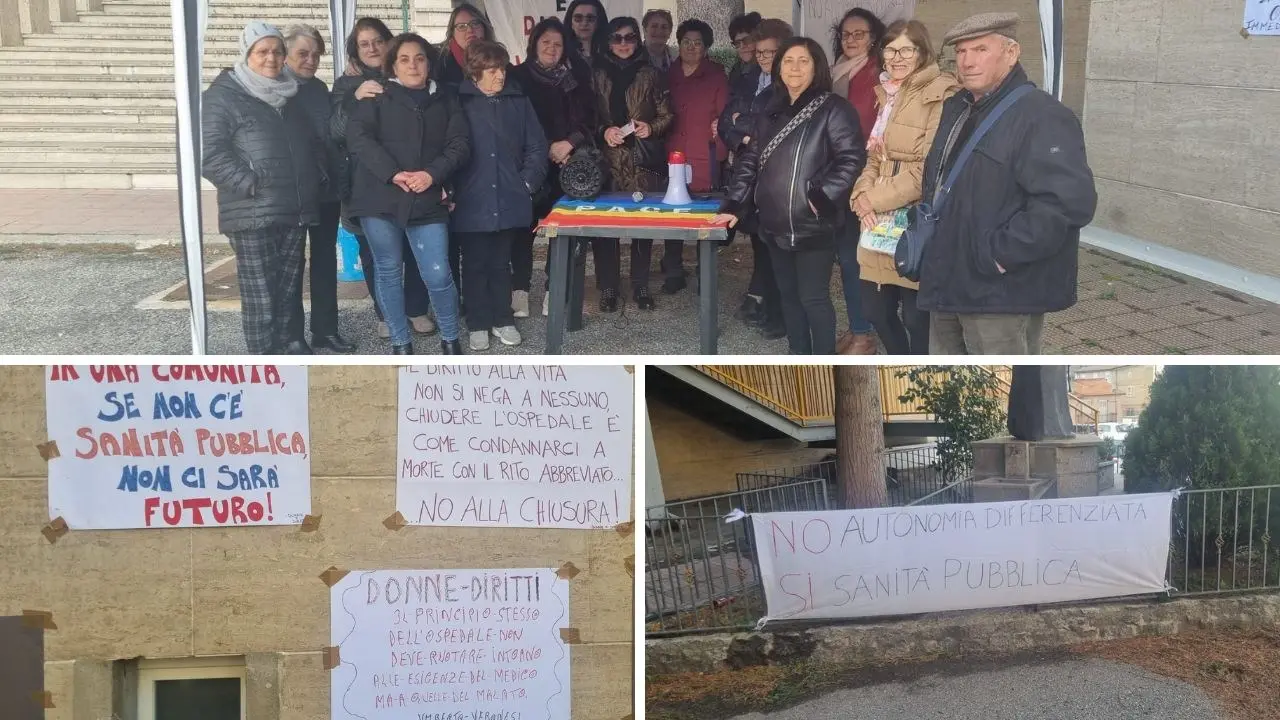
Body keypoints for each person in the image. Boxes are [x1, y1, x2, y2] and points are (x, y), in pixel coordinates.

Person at [918, 13, 1096, 354]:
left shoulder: (1042, 115)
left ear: (1011, 53)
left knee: (998, 374)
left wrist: (999, 255)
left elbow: (1067, 203)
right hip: (948, 278)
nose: (967, 62)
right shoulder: (959, 106)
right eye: (961, 51)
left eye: (980, 49)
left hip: (999, 290)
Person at [712, 36, 866, 355]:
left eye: (803, 61)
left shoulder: (834, 109)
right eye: (788, 61)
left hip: (813, 226)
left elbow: (851, 159)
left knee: (814, 300)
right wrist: (736, 204)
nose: (795, 68)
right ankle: (798, 354)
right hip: (773, 225)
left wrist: (820, 197)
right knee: (789, 298)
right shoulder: (770, 110)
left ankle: (823, 362)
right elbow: (751, 160)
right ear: (779, 67)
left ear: (817, 67)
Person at [202, 21, 323, 355]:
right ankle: (263, 360)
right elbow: (208, 153)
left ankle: (286, 351)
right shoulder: (223, 95)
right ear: (247, 54)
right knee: (261, 296)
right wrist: (250, 183)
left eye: (276, 51)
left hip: (294, 207)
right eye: (262, 51)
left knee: (287, 291)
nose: (271, 58)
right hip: (253, 209)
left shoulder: (289, 92)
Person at [346, 33, 470, 354]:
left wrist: (432, 174)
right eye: (404, 59)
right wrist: (392, 173)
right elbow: (358, 138)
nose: (413, 65)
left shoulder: (445, 98)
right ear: (393, 65)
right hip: (381, 196)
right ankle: (401, 342)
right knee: (388, 270)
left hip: (427, 195)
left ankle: (450, 337)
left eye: (419, 58)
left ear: (429, 63)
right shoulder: (376, 95)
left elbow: (459, 145)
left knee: (438, 272)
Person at [849, 20, 960, 355]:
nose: (896, 57)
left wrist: (873, 199)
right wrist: (859, 197)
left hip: (914, 218)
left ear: (922, 51)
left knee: (916, 317)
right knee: (875, 312)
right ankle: (900, 358)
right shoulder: (887, 92)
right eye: (890, 49)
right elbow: (873, 157)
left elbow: (930, 169)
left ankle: (919, 365)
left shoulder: (942, 92)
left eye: (906, 50)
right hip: (877, 219)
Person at [330, 17, 436, 341]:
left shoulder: (405, 78)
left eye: (378, 40)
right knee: (376, 255)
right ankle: (386, 314)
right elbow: (335, 132)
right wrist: (355, 98)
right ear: (355, 51)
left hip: (408, 181)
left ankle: (416, 310)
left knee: (414, 248)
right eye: (365, 43)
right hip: (365, 186)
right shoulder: (346, 86)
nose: (373, 48)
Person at [453, 41, 549, 351]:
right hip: (471, 198)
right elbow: (447, 148)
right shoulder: (457, 102)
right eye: (493, 70)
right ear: (474, 72)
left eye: (503, 69)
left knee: (500, 261)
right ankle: (478, 321)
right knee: (475, 262)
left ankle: (503, 318)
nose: (500, 76)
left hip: (510, 195)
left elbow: (537, 146)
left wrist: (526, 184)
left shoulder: (518, 102)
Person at [510, 18, 598, 318]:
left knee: (561, 232)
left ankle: (553, 290)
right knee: (522, 231)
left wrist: (568, 144)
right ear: (534, 43)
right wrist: (545, 146)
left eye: (558, 44)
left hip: (568, 166)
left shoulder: (577, 77)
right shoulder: (517, 75)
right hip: (529, 165)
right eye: (545, 41)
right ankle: (519, 290)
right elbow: (512, 121)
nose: (551, 48)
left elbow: (590, 119)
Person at [282, 24, 357, 354]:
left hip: (325, 191)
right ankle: (293, 335)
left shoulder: (318, 88)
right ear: (286, 55)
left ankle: (326, 331)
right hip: (294, 193)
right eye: (303, 53)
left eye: (316, 54)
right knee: (292, 266)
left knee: (325, 262)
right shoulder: (275, 88)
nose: (311, 60)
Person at [718, 18, 792, 339]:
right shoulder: (747, 77)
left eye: (771, 53)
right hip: (749, 170)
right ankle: (765, 304)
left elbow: (769, 125)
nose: (764, 59)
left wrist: (745, 125)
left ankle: (779, 315)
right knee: (761, 244)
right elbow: (725, 120)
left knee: (777, 248)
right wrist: (741, 135)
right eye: (760, 53)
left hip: (776, 176)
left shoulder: (790, 83)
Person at [595, 16, 673, 311]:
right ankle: (608, 288)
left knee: (642, 225)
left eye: (630, 37)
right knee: (605, 229)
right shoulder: (596, 73)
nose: (624, 43)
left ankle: (640, 285)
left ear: (638, 40)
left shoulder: (652, 73)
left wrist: (651, 127)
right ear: (608, 41)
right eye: (617, 38)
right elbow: (586, 116)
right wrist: (604, 131)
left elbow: (668, 114)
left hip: (641, 159)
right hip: (607, 160)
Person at [830, 7, 886, 355]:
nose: (851, 40)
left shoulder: (877, 73)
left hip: (864, 176)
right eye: (846, 34)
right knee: (847, 256)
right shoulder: (838, 69)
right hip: (839, 172)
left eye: (859, 34)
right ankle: (858, 328)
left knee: (857, 258)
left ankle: (865, 334)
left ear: (873, 38)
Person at [660, 18, 728, 294]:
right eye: (685, 41)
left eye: (697, 43)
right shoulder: (667, 73)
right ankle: (673, 270)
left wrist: (720, 146)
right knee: (670, 213)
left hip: (703, 154)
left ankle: (704, 272)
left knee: (703, 215)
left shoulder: (717, 76)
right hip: (672, 152)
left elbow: (724, 118)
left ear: (706, 47)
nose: (690, 47)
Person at [437, 3, 493, 90]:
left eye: (475, 23)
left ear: (484, 27)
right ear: (452, 33)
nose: (470, 30)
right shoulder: (439, 64)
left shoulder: (498, 59)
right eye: (461, 26)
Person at [563, 0, 609, 75]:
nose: (584, 23)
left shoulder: (610, 54)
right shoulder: (562, 55)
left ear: (598, 22)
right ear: (571, 23)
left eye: (590, 18)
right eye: (578, 18)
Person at [726, 12, 762, 90]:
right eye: (737, 43)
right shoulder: (736, 70)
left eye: (747, 40)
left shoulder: (767, 70)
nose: (742, 46)